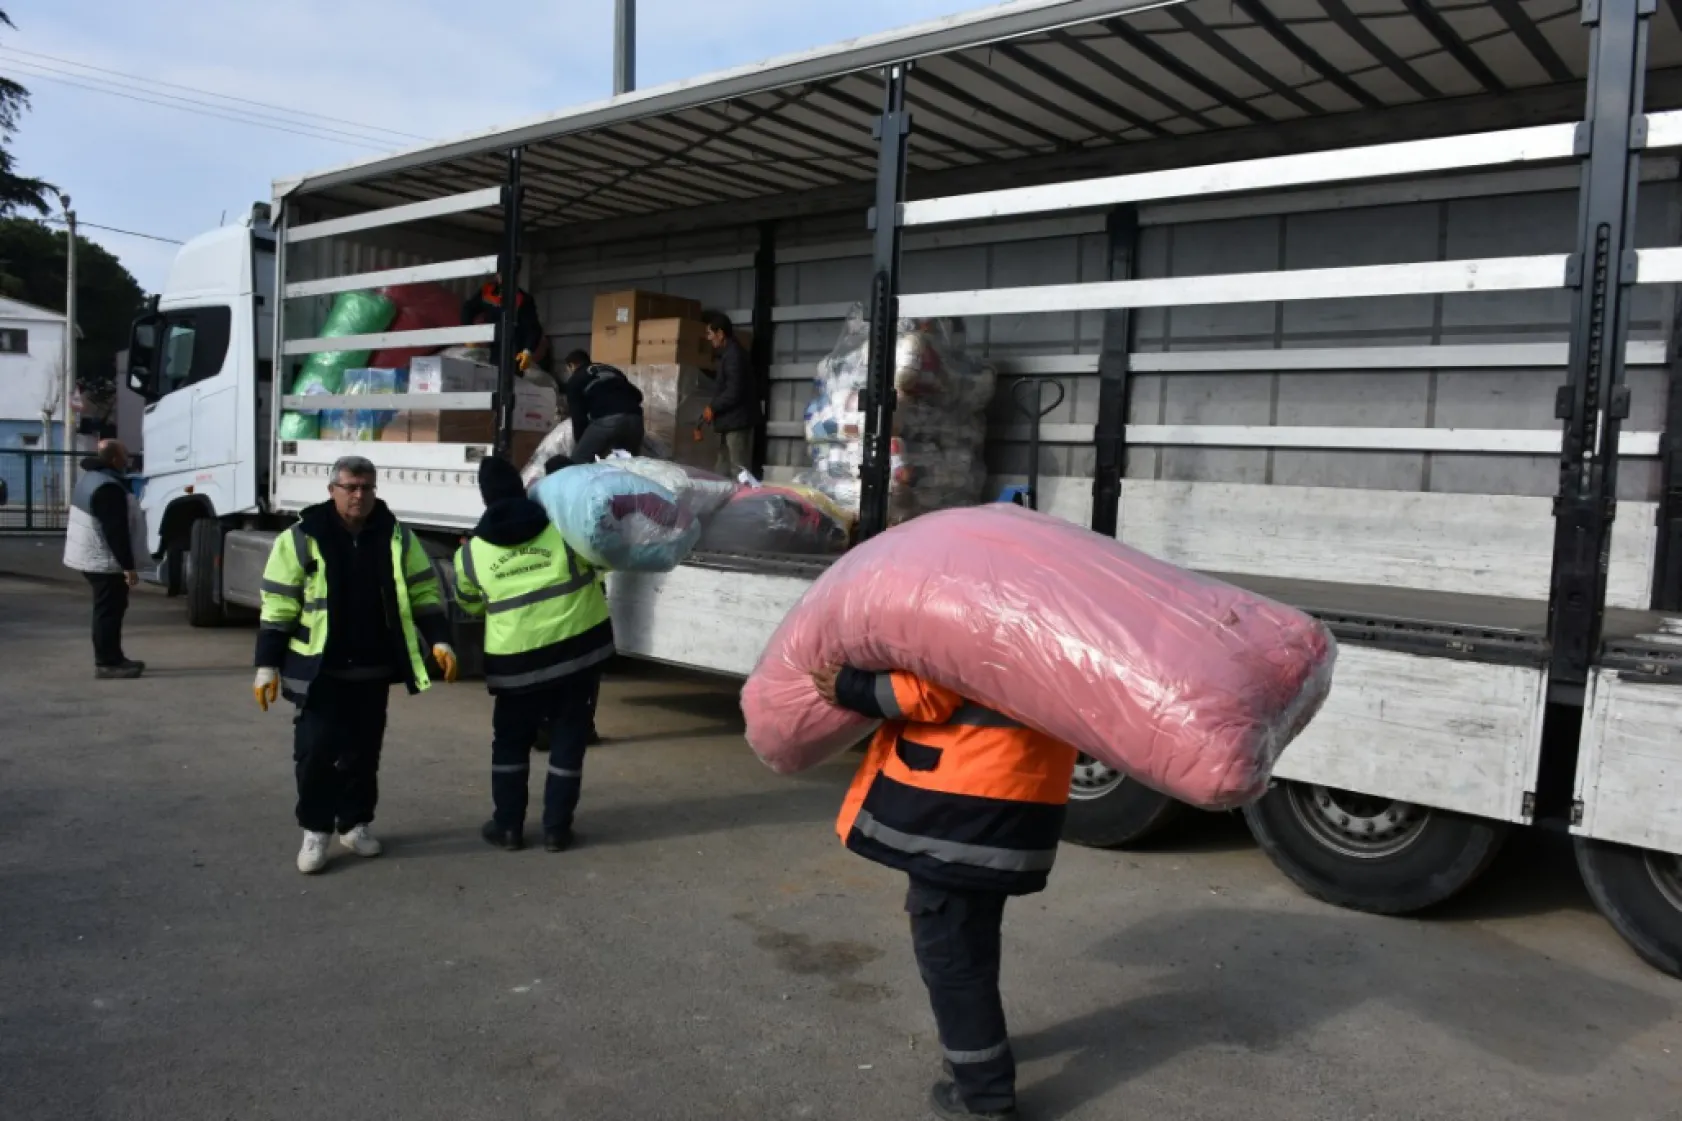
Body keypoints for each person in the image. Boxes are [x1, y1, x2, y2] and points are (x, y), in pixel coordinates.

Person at [813, 664, 1077, 1121]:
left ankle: (983, 1096)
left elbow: (925, 691)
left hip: (964, 807)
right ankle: (979, 1045)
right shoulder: (1054, 624)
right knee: (971, 938)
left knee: (950, 953)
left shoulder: (980, 620)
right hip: (1018, 796)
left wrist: (846, 686)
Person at [253, 456, 459, 874]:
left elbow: (423, 592)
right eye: (350, 487)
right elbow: (278, 604)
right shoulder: (302, 537)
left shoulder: (396, 536)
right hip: (320, 671)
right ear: (332, 490)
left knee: (363, 754)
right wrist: (266, 665)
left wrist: (440, 639)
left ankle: (354, 824)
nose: (359, 495)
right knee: (315, 752)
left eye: (366, 487)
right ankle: (316, 830)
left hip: (372, 668)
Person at [454, 455, 614, 852]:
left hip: (516, 665)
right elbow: (600, 563)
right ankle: (557, 830)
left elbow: (469, 604)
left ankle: (508, 827)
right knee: (568, 740)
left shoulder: (471, 554)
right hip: (576, 654)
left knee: (510, 743)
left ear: (485, 498)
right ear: (523, 489)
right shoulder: (563, 529)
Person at [62, 439, 148, 679]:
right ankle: (107, 663)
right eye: (125, 455)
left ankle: (114, 657)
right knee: (109, 611)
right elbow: (115, 531)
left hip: (90, 555)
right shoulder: (108, 487)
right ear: (114, 459)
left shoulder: (91, 478)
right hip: (102, 559)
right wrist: (128, 567)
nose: (128, 460)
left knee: (110, 609)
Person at [697, 310, 759, 476]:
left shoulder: (734, 356)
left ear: (720, 333)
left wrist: (713, 407)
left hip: (737, 423)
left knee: (739, 470)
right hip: (729, 422)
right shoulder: (728, 354)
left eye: (710, 333)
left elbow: (734, 391)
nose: (708, 338)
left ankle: (744, 494)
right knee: (721, 471)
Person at [561, 349, 645, 462]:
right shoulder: (611, 370)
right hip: (635, 420)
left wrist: (581, 444)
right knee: (626, 463)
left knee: (579, 460)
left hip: (608, 420)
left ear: (572, 365)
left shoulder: (575, 379)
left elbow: (578, 418)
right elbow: (638, 395)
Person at [462, 269, 549, 375]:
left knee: (509, 376)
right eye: (502, 275)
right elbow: (468, 309)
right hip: (492, 344)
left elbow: (533, 328)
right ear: (497, 276)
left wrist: (527, 350)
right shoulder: (487, 292)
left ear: (516, 277)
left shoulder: (524, 299)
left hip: (513, 347)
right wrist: (468, 334)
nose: (505, 279)